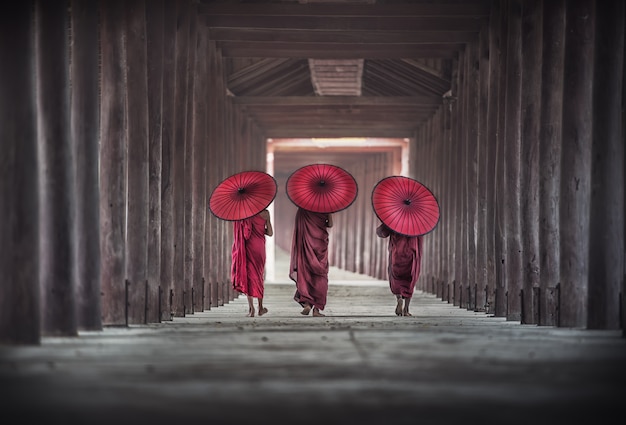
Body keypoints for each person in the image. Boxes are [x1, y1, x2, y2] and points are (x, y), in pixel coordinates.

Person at [289, 207, 333, 317]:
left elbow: (299, 228)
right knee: (321, 275)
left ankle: (307, 303)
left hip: (306, 245)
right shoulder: (326, 206)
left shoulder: (303, 208)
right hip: (320, 245)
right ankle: (316, 309)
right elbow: (330, 224)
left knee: (306, 273)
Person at [231, 209, 273, 317]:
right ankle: (260, 307)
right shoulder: (266, 213)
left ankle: (251, 309)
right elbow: (270, 233)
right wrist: (260, 230)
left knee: (248, 276)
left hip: (248, 247)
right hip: (260, 248)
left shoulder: (245, 214)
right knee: (259, 276)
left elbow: (244, 233)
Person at [376, 222, 423, 317]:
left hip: (397, 253)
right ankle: (406, 309)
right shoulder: (417, 220)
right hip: (412, 253)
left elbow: (382, 232)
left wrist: (384, 225)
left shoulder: (395, 218)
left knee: (395, 278)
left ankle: (399, 298)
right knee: (410, 279)